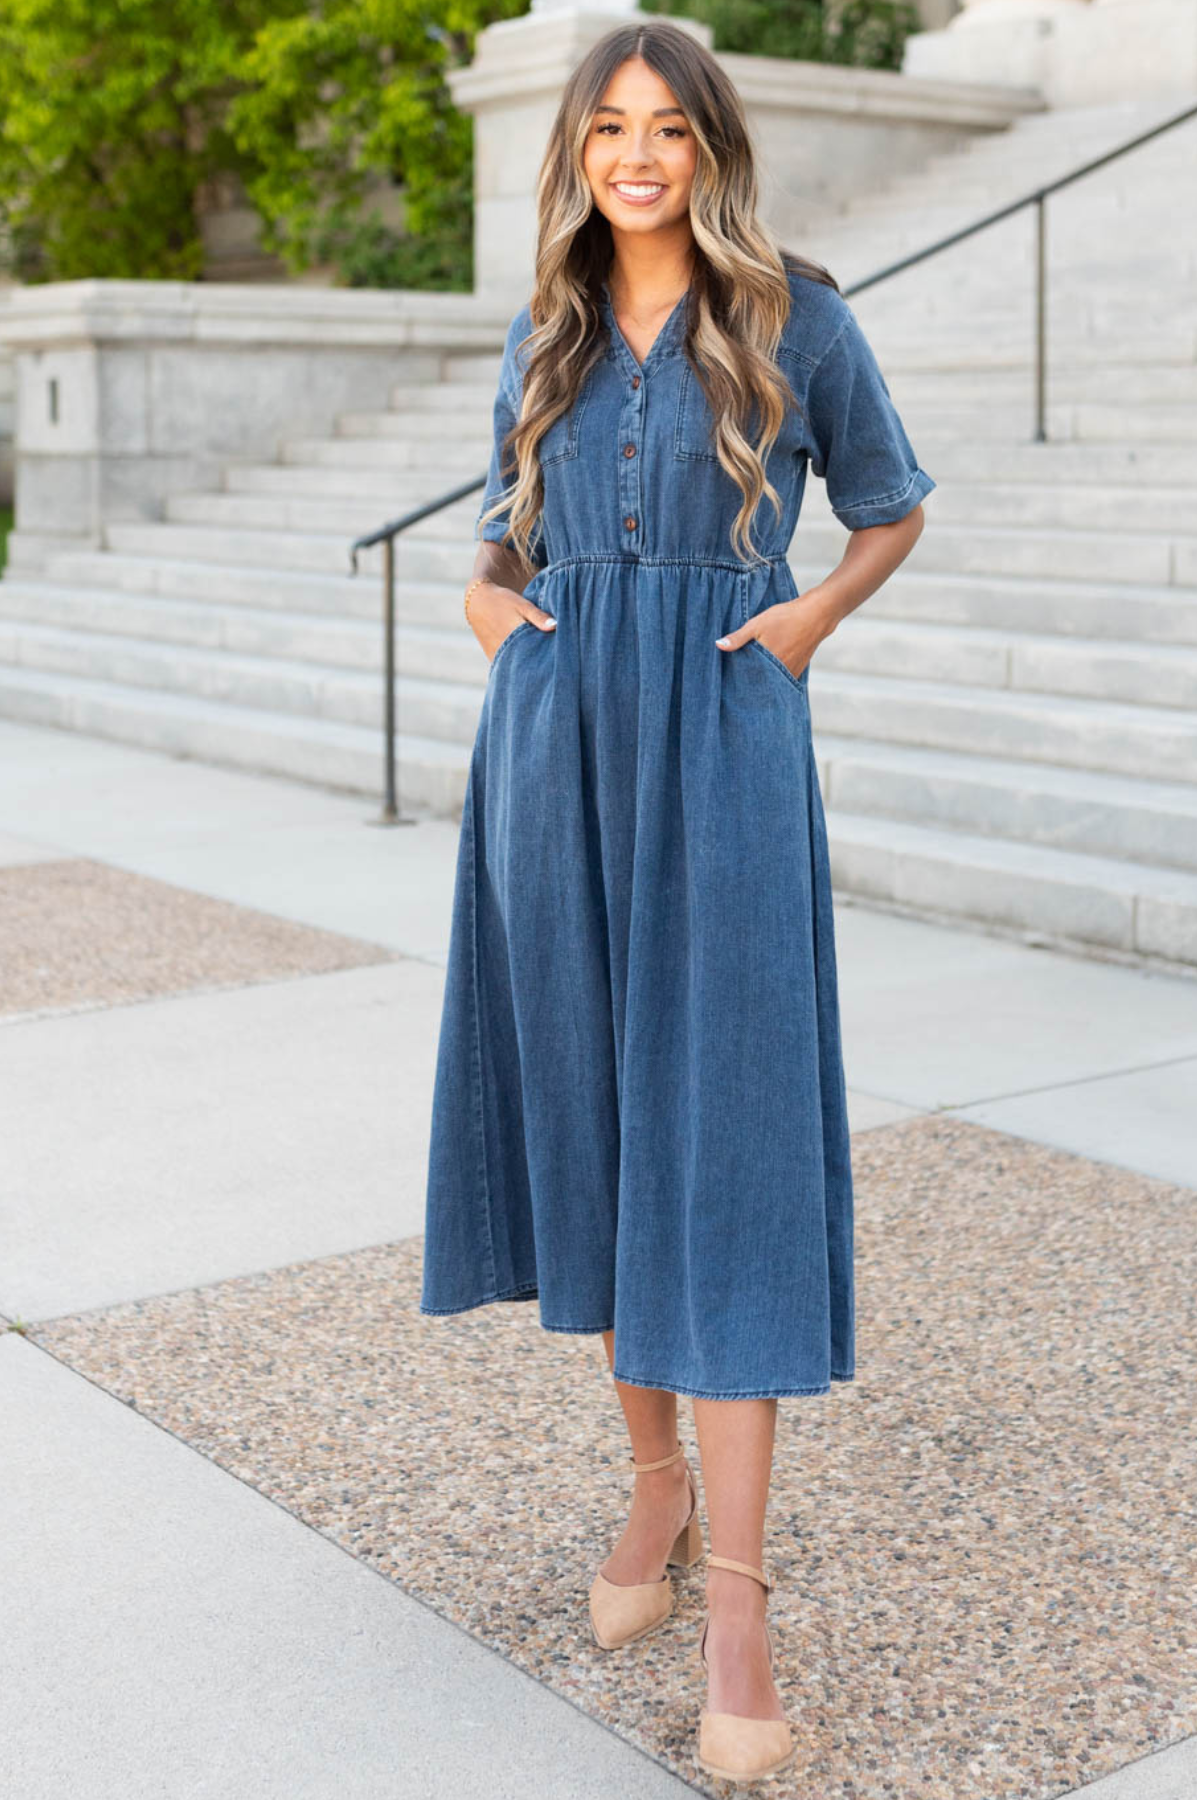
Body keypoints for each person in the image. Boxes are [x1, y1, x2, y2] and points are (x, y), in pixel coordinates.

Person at [420, 17, 934, 1783]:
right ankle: (648, 1487)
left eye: (667, 129)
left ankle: (738, 1604)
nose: (636, 156)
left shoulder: (797, 315)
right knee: (593, 1122)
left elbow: (886, 507)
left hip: (718, 749)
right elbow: (499, 536)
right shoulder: (546, 329)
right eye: (608, 130)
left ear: (710, 146)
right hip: (554, 755)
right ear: (577, 154)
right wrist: (497, 622)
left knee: (717, 1145)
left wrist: (797, 625)